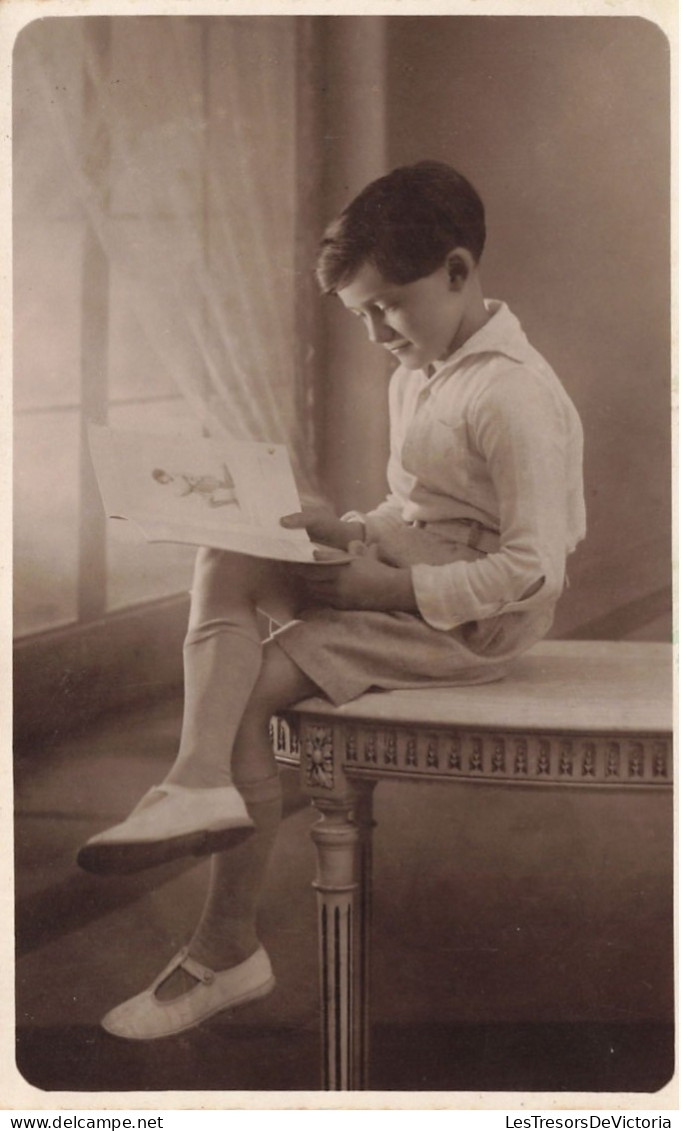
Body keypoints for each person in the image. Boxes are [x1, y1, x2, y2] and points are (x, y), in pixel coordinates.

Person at [77, 161, 585, 1040]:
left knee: (256, 689)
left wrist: (384, 585)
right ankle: (194, 782)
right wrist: (343, 527)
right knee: (228, 551)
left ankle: (224, 947)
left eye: (387, 306)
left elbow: (534, 570)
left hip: (471, 623)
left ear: (459, 270)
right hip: (407, 571)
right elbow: (412, 505)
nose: (377, 333)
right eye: (360, 317)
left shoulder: (511, 393)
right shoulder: (418, 370)